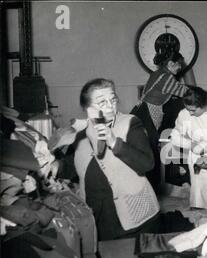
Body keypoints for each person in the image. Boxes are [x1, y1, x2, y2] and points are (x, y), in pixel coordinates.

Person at [54, 78, 160, 241]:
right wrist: (57, 166)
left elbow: (147, 163)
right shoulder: (80, 131)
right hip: (95, 213)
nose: (110, 106)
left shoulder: (130, 123)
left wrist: (114, 142)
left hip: (132, 214)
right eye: (102, 102)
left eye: (113, 100)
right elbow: (73, 166)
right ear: (87, 108)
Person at [131, 50, 189, 192]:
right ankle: (151, 188)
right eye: (178, 65)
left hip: (141, 111)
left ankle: (147, 186)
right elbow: (185, 93)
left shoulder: (158, 73)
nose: (179, 68)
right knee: (149, 151)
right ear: (170, 64)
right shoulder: (167, 77)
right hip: (147, 115)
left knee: (142, 149)